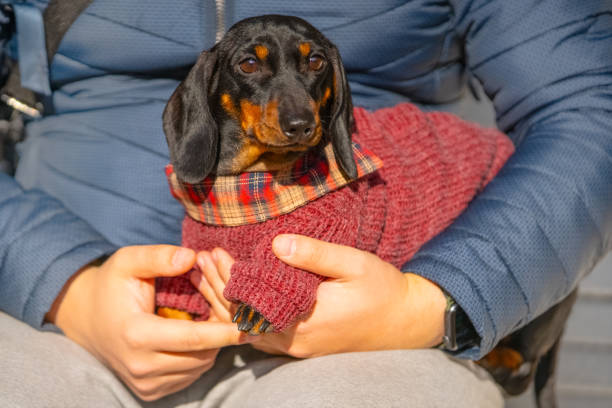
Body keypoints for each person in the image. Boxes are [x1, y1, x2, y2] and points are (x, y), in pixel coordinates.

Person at [1, 1, 610, 407]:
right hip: (65, 310)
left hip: (380, 332)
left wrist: (435, 303)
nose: (295, 111)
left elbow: (590, 109)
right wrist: (63, 285)